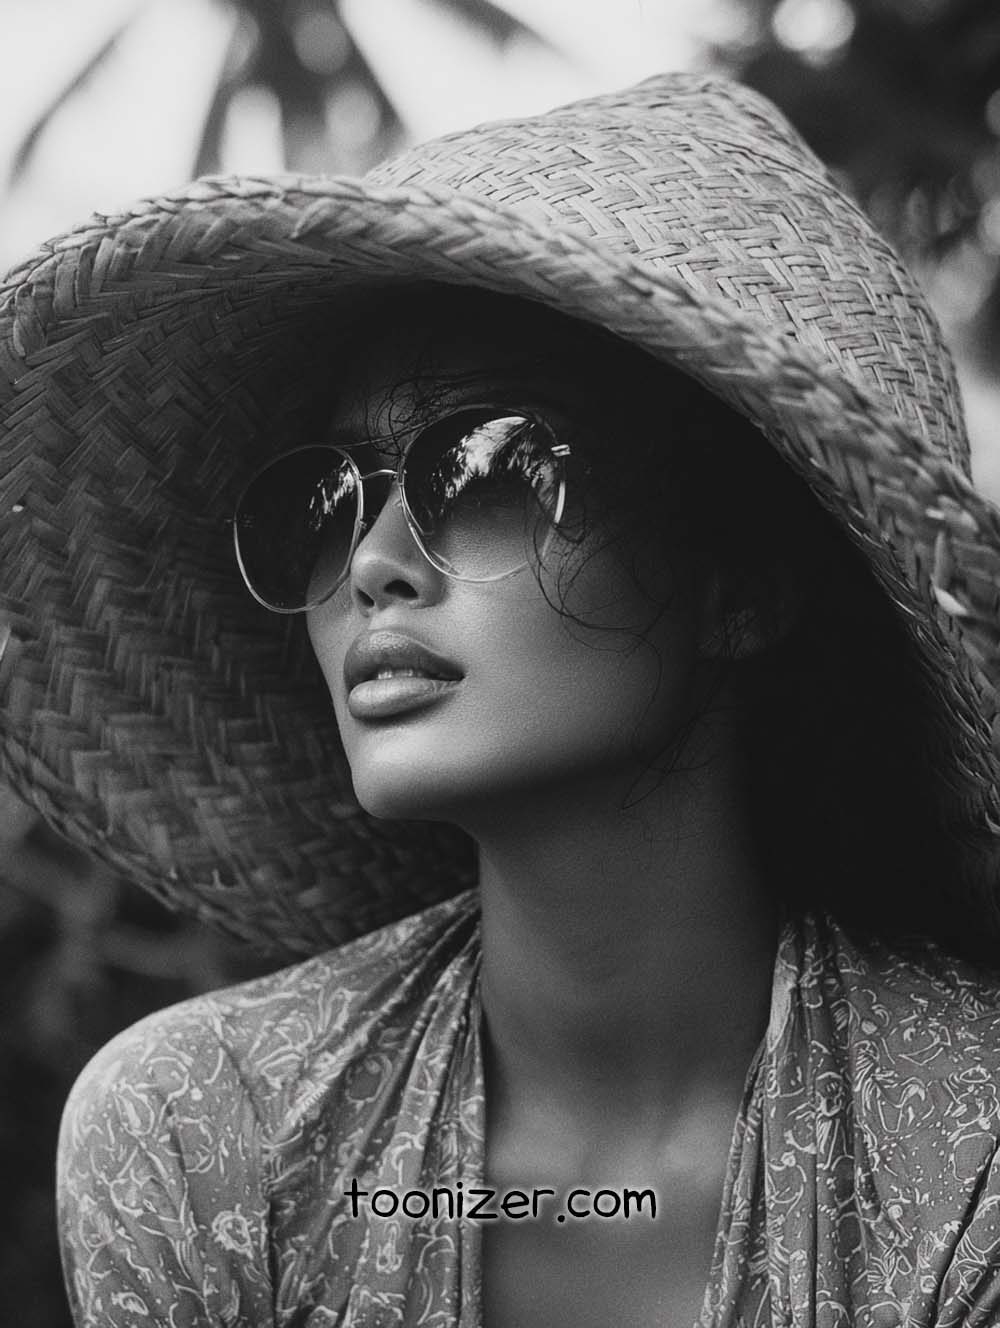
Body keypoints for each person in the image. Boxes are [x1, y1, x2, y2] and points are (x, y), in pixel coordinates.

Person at [3, 70, 1000, 1328]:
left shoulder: (966, 1150)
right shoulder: (207, 1137)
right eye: (325, 499)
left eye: (478, 467)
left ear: (741, 580)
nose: (370, 562)